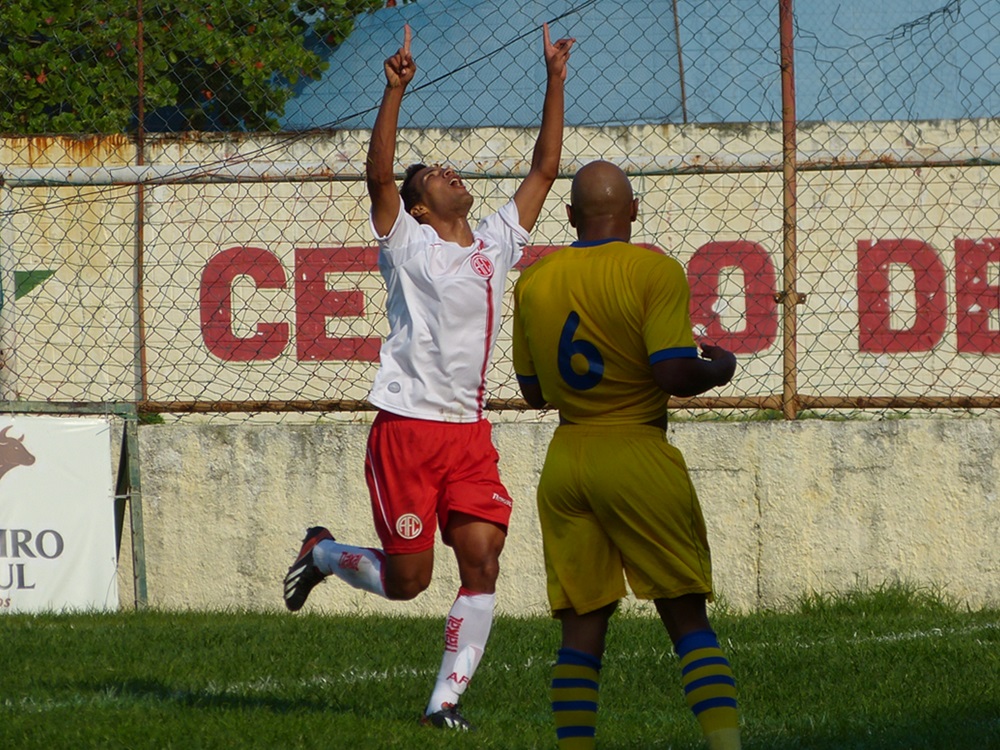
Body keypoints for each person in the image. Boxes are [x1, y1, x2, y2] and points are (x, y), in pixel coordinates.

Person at [282, 22, 574, 732]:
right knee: (408, 582)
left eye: (448, 169)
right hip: (407, 432)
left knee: (483, 564)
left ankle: (443, 704)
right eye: (433, 175)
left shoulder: (497, 244)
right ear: (417, 206)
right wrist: (393, 91)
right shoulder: (405, 242)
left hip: (468, 435)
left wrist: (556, 80)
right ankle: (322, 552)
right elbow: (378, 175)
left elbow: (542, 170)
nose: (448, 172)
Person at [511, 160, 742, 750]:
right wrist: (718, 368)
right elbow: (671, 370)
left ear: (569, 217)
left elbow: (533, 391)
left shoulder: (534, 280)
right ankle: (725, 745)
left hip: (567, 461)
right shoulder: (653, 270)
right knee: (686, 618)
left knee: (581, 628)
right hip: (635, 448)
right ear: (634, 212)